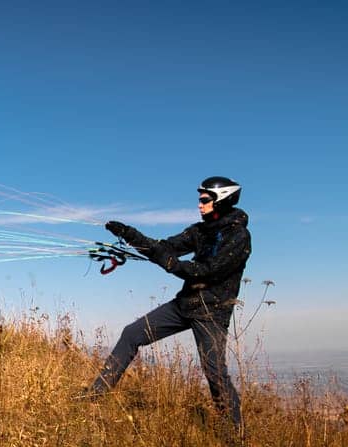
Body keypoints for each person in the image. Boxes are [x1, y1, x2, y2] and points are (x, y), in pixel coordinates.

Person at [86, 176, 251, 433]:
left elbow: (207, 270)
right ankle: (95, 395)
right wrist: (128, 234)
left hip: (211, 312)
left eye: (205, 199)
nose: (200, 204)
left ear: (222, 200)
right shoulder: (200, 231)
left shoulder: (238, 236)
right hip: (185, 305)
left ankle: (235, 434)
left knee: (215, 373)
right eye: (200, 199)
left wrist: (172, 265)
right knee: (132, 334)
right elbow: (164, 248)